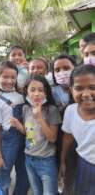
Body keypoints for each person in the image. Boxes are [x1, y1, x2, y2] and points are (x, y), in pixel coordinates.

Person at [11, 75, 61, 195]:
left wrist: (39, 118)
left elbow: (52, 138)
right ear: (26, 92)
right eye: (32, 90)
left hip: (46, 160)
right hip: (29, 158)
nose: (37, 94)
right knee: (36, 191)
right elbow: (30, 133)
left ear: (46, 92)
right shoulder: (26, 108)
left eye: (41, 90)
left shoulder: (52, 110)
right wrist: (19, 126)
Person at [0, 61, 29, 195]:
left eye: (13, 77)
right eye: (5, 77)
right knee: (4, 176)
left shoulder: (22, 96)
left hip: (23, 139)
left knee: (24, 174)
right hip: (7, 142)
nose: (9, 80)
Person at [60, 64, 95, 195]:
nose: (86, 94)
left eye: (93, 87)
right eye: (79, 88)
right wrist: (62, 161)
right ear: (71, 90)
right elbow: (68, 137)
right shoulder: (70, 111)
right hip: (84, 164)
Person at [51, 54, 77, 195]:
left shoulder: (84, 89)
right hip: (60, 140)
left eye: (66, 68)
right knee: (63, 173)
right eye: (57, 70)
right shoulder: (51, 92)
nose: (62, 72)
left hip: (80, 142)